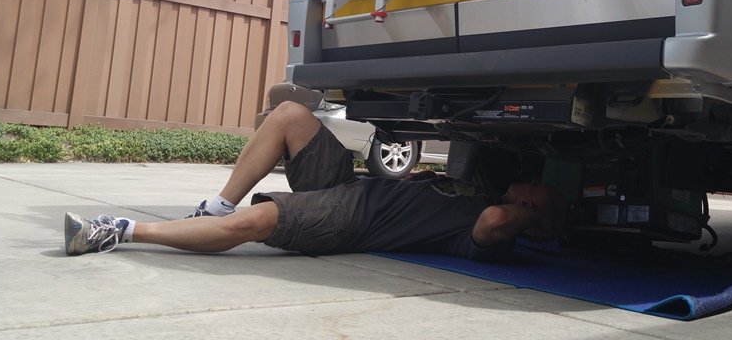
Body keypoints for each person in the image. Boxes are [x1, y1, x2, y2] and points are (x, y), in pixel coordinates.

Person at [64, 101, 567, 260]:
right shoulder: (479, 189)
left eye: (531, 196)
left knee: (261, 220)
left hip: (354, 218)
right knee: (289, 113)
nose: (521, 189)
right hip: (351, 186)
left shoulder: (487, 234)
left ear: (534, 217)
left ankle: (120, 231)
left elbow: (499, 221)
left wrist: (535, 220)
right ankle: (213, 209)